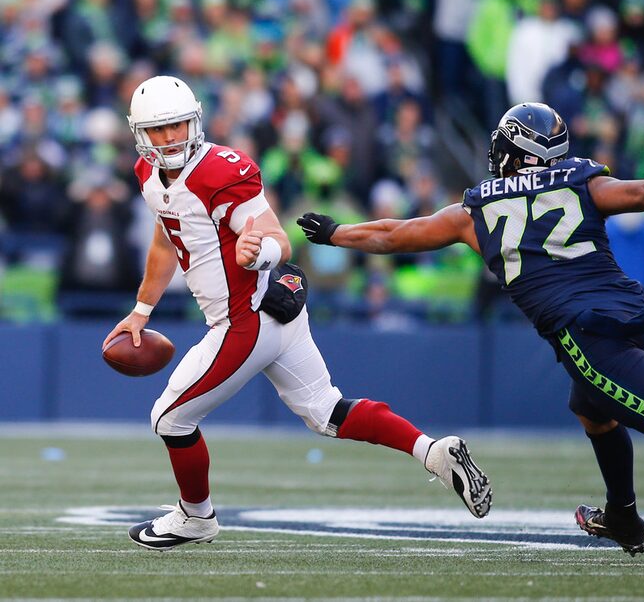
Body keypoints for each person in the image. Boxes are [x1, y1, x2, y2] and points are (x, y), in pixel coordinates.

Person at [298, 102, 644, 555]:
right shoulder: (582, 180)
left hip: (586, 332)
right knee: (590, 409)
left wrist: (336, 233)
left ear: (517, 152)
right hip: (628, 312)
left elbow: (396, 234)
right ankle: (623, 516)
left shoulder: (476, 210)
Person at [102, 76, 492, 551]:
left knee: (169, 418)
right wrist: (142, 310)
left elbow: (277, 238)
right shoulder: (148, 176)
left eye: (179, 125)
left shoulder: (220, 171)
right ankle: (432, 452)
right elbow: (167, 238)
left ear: (196, 121)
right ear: (140, 134)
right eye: (160, 130)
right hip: (276, 315)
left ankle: (196, 517)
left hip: (244, 319)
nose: (171, 138)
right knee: (327, 410)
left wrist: (259, 251)